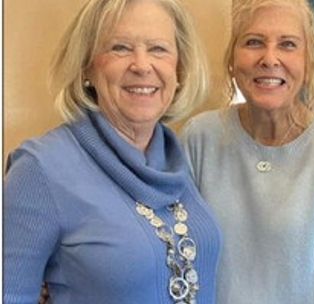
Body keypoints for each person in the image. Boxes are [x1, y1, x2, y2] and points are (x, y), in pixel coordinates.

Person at [3, 0, 222, 303]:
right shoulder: (40, 169)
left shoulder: (176, 156)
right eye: (120, 48)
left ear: (180, 68)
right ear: (87, 66)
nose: (142, 65)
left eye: (158, 49)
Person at [180, 0, 314, 303]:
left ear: (308, 63)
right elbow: (181, 257)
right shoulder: (199, 137)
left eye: (287, 45)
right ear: (232, 59)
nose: (270, 59)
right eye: (254, 42)